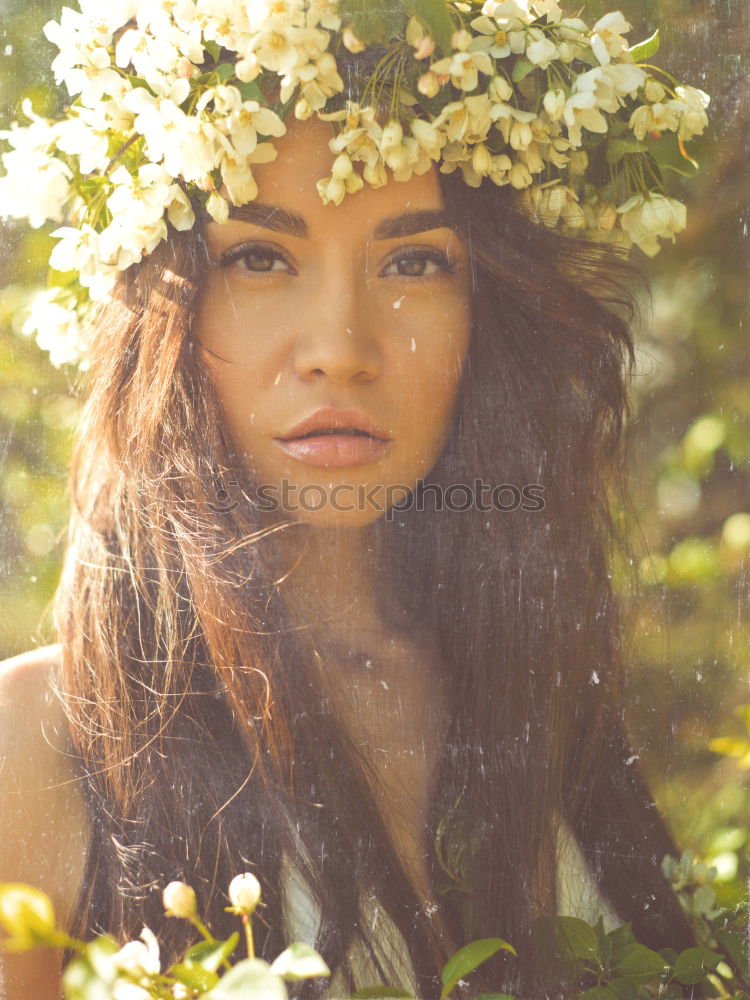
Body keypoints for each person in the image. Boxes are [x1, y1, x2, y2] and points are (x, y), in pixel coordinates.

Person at [0, 3, 709, 998]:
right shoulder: (40, 739)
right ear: (167, 304)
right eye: (259, 257)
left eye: (413, 261)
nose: (340, 343)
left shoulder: (538, 686)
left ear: (486, 313)